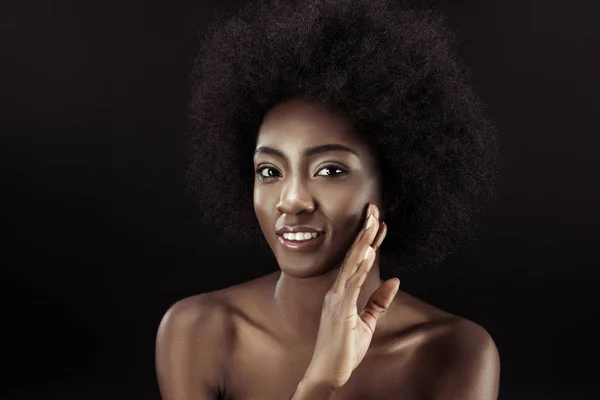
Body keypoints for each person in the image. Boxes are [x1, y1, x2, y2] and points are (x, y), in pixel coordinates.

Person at [156, 0, 501, 398]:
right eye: (269, 171)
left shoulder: (456, 353)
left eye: (330, 171)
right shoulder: (198, 332)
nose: (292, 200)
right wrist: (319, 382)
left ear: (393, 185)